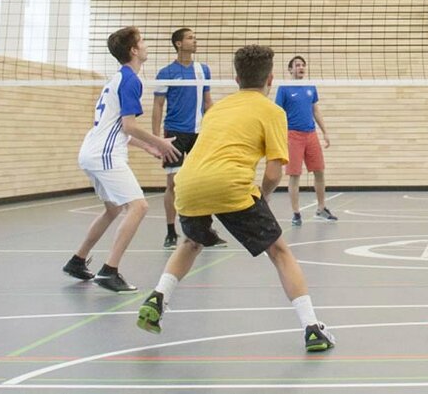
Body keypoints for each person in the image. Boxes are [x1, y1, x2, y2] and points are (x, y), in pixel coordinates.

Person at [138, 45, 337, 353]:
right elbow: (273, 174)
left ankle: (158, 297)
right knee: (280, 252)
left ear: (235, 79)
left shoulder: (218, 109)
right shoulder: (273, 112)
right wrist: (264, 199)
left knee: (191, 243)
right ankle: (312, 328)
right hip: (230, 185)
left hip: (188, 182)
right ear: (271, 79)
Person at [64, 27, 182, 293]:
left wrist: (147, 147)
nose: (145, 45)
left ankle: (77, 260)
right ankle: (109, 271)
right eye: (142, 41)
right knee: (138, 207)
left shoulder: (117, 79)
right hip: (104, 155)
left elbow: (118, 127)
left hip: (92, 151)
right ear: (133, 50)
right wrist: (158, 141)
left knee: (114, 209)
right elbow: (128, 126)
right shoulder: (130, 80)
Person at [153, 28, 226, 249]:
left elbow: (207, 101)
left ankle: (206, 231)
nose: (195, 41)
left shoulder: (203, 70)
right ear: (178, 43)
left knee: (203, 182)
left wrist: (217, 128)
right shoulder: (166, 72)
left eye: (195, 37)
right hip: (174, 134)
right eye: (190, 38)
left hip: (199, 133)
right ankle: (170, 232)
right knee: (173, 183)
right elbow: (158, 105)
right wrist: (156, 139)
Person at [276, 56, 337, 226]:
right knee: (294, 175)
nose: (301, 68)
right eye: (297, 65)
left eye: (303, 65)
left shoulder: (311, 86)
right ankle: (296, 213)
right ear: (290, 70)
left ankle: (321, 208)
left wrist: (325, 132)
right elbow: (278, 113)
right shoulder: (284, 88)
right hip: (293, 135)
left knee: (319, 171)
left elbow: (315, 110)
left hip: (311, 135)